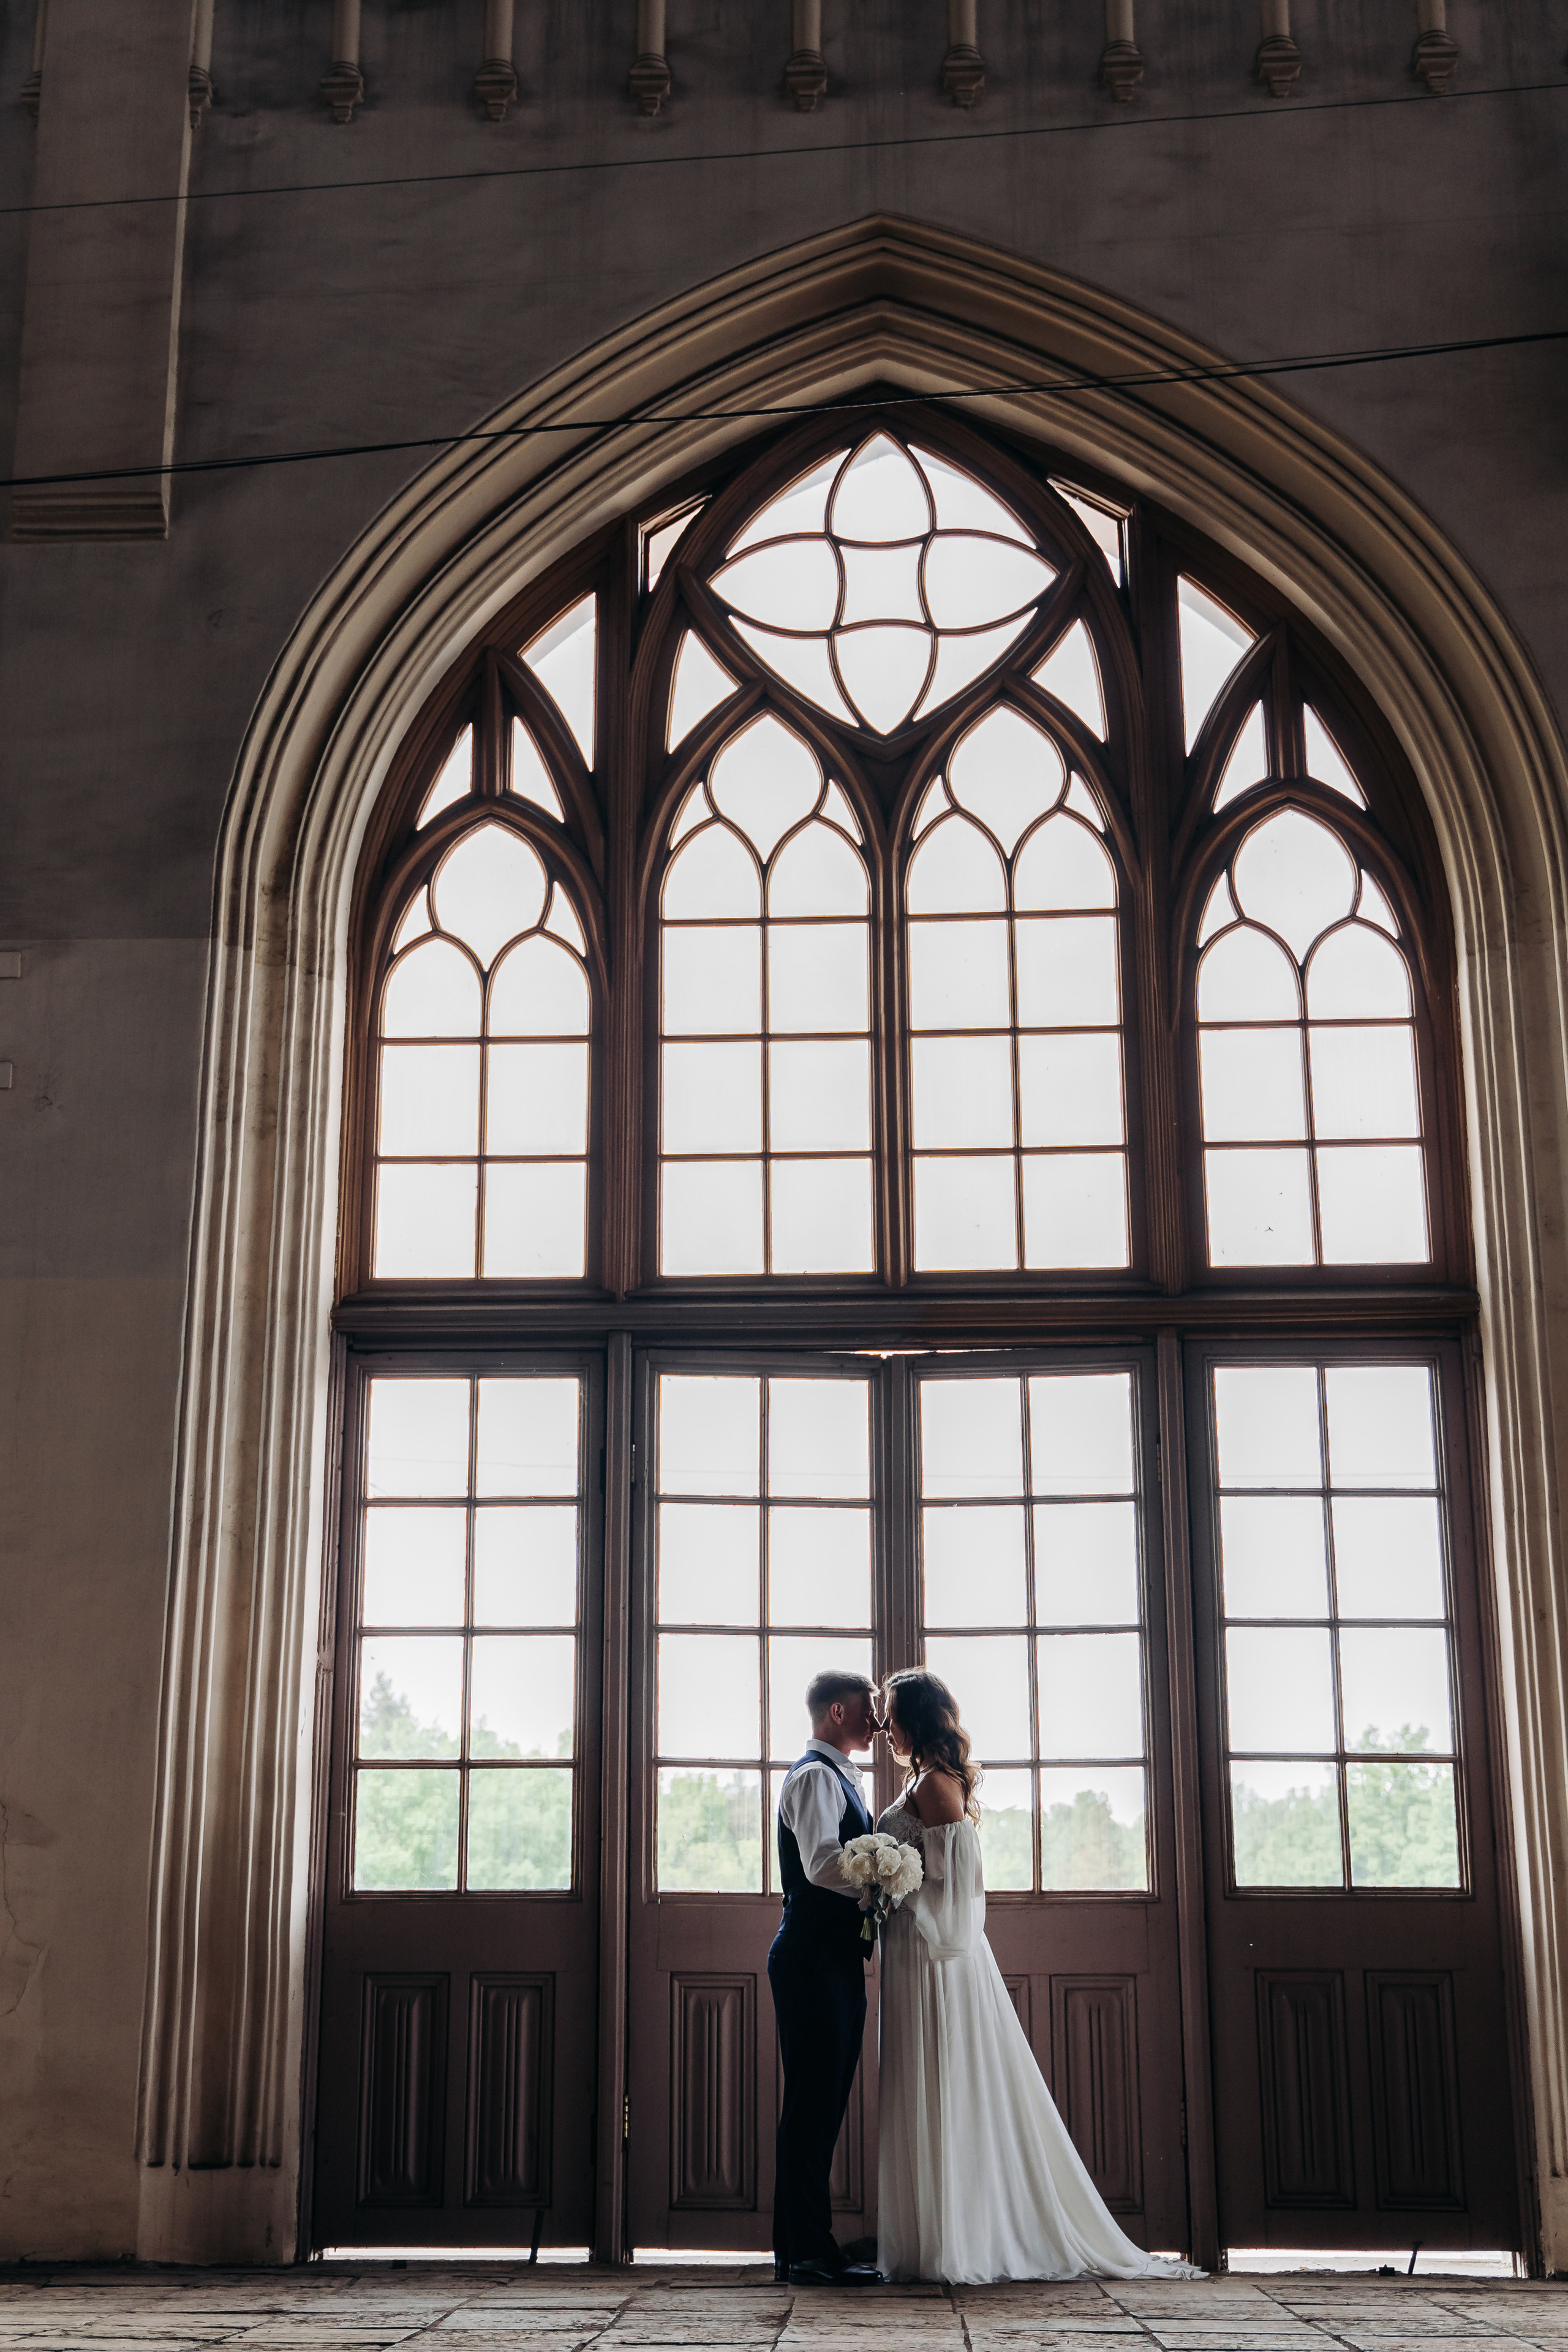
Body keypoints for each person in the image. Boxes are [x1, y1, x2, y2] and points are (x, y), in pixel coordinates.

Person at [874, 1667, 1204, 2285]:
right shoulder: (924, 1780)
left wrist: (895, 1890)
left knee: (944, 2081)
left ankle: (960, 2242)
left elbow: (958, 1889)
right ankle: (929, 2237)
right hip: (910, 1951)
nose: (883, 1725)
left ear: (915, 1719)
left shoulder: (936, 1786)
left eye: (890, 1713)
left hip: (933, 1957)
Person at [768, 1668, 883, 2286]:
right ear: (837, 1712)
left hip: (829, 1956)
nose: (877, 1719)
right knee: (813, 2104)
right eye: (868, 1708)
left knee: (821, 2102)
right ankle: (806, 2251)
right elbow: (819, 1865)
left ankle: (805, 2246)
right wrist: (886, 1877)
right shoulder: (816, 1777)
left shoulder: (839, 1775)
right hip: (811, 1956)